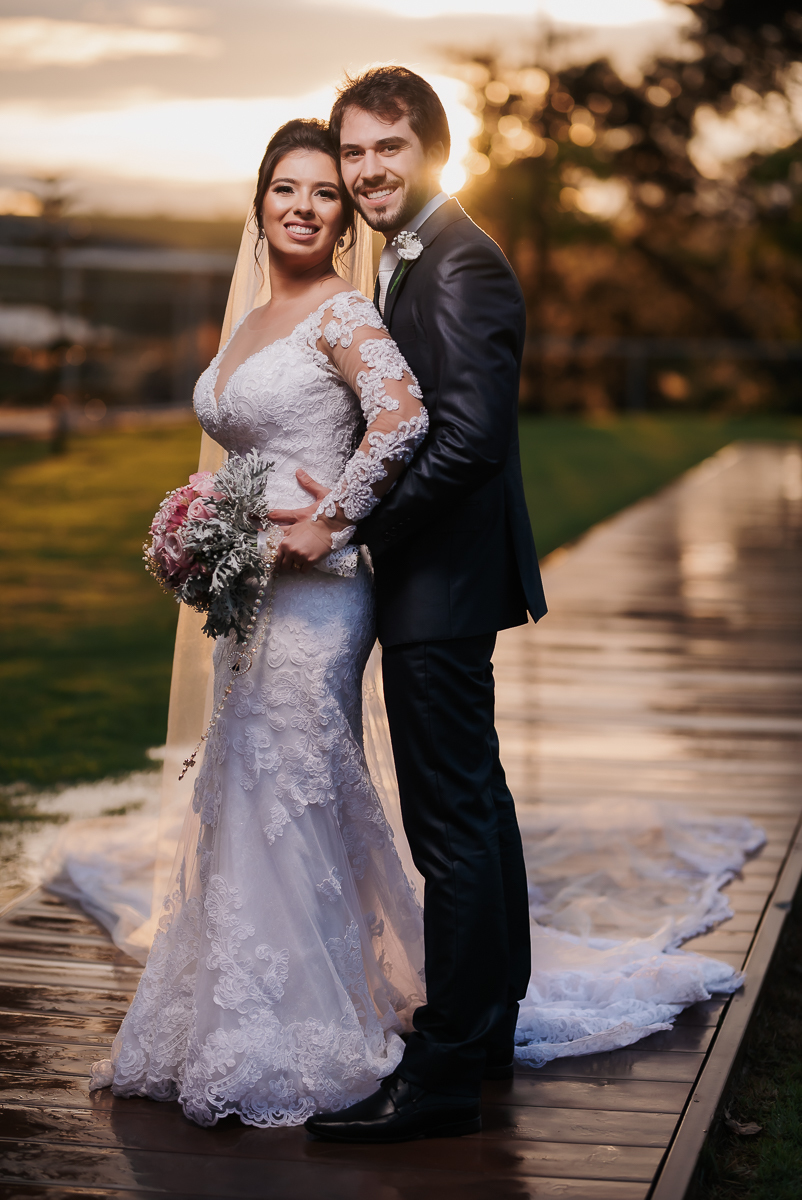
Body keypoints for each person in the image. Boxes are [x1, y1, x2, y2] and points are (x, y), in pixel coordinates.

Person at [87, 118, 430, 1128]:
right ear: (260, 199)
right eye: (288, 187)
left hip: (321, 593)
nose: (306, 206)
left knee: (294, 773)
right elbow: (241, 443)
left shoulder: (342, 312)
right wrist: (199, 530)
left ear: (341, 218)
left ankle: (310, 1027)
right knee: (243, 777)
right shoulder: (250, 319)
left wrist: (329, 523)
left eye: (326, 193)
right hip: (250, 591)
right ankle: (234, 1013)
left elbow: (403, 416)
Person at [275, 68, 548, 1145]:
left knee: (451, 821)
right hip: (444, 579)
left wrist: (352, 526)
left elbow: (471, 440)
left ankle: (441, 1073)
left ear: (433, 150)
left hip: (442, 582)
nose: (367, 172)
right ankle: (484, 1028)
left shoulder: (461, 263)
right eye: (355, 153)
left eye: (388, 149)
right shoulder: (419, 255)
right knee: (473, 806)